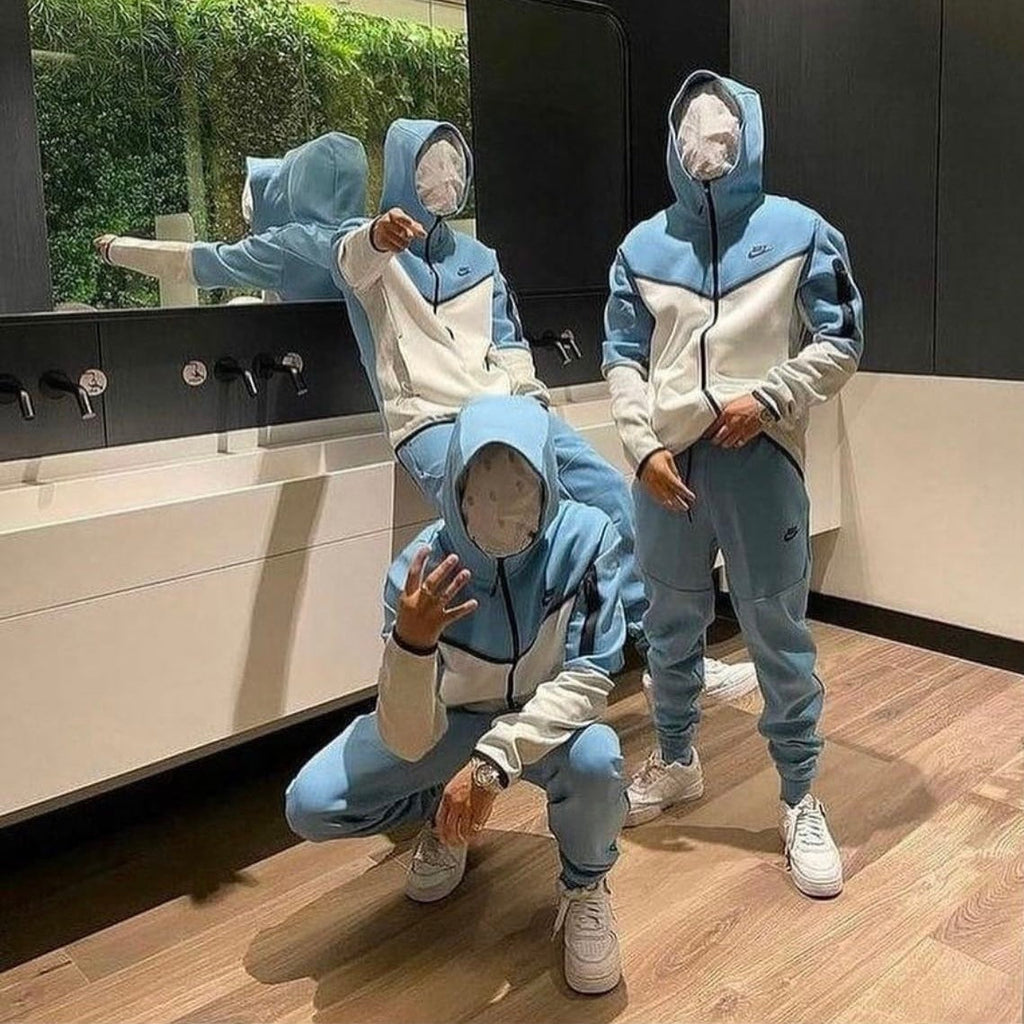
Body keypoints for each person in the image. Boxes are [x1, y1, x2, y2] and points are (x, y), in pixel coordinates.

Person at [330, 115, 754, 694]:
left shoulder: (480, 258)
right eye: (429, 163)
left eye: (453, 163)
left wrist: (532, 403)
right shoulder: (371, 250)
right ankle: (507, 686)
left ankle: (672, 662)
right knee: (503, 523)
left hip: (509, 409)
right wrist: (380, 236)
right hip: (430, 420)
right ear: (404, 169)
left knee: (618, 500)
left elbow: (508, 342)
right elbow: (352, 262)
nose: (444, 176)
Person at [602, 70, 864, 898]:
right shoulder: (642, 249)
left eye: (722, 130)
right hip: (667, 469)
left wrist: (772, 397)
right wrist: (642, 447)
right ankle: (677, 758)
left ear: (747, 133)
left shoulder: (801, 231)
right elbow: (621, 357)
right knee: (669, 625)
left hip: (762, 461)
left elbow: (842, 341)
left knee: (776, 632)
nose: (707, 144)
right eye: (693, 131)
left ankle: (800, 797)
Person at [285, 395, 627, 994]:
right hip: (451, 725)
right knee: (312, 802)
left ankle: (585, 883)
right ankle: (444, 820)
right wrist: (412, 645)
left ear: (547, 479)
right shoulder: (418, 571)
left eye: (520, 483)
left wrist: (491, 766)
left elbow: (591, 676)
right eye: (482, 485)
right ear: (457, 484)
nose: (501, 506)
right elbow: (407, 738)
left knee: (598, 759)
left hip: (545, 723)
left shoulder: (587, 538)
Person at [95, 132, 367, 303]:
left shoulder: (292, 247)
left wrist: (116, 249)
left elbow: (193, 262)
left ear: (297, 188)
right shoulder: (367, 237)